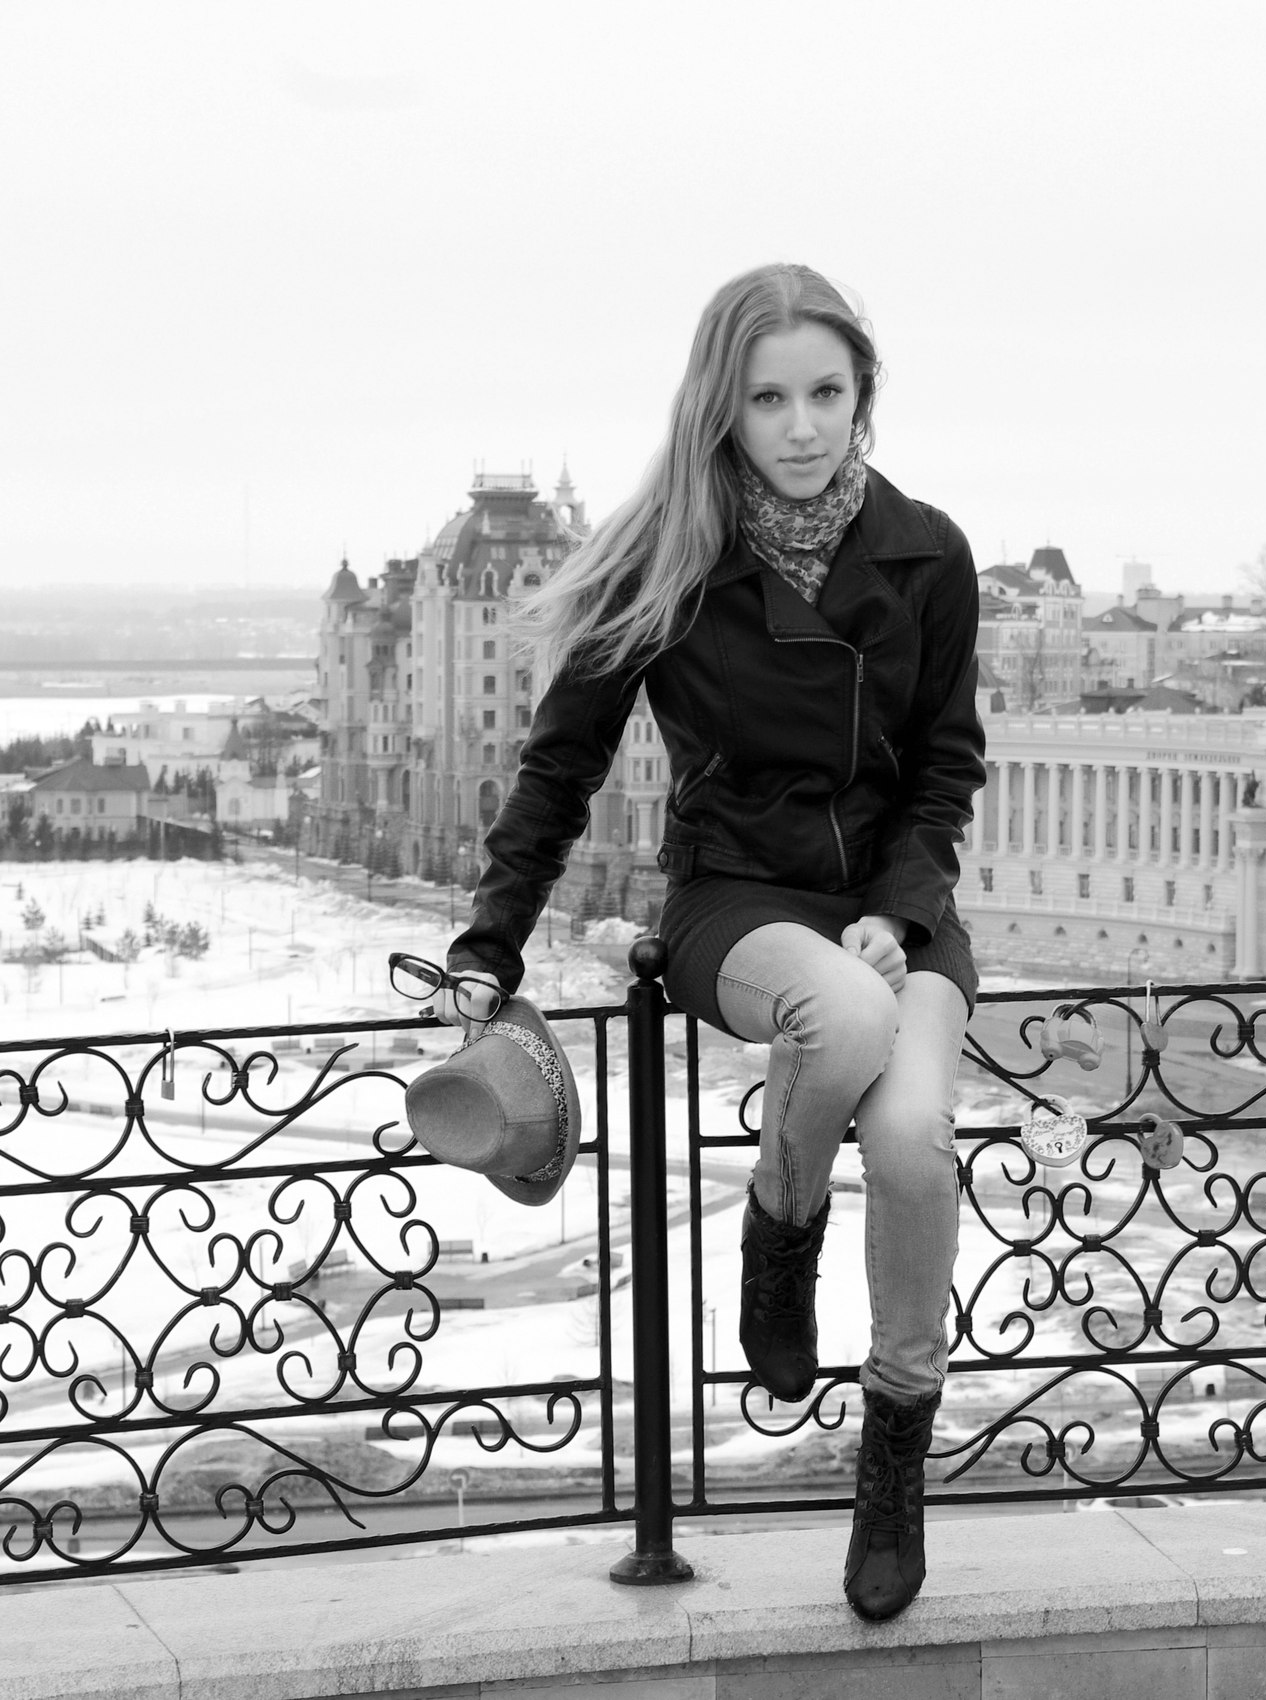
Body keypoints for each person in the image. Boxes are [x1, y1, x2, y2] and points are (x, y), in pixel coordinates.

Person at [441, 264, 984, 1621]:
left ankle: (894, 1461)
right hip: (736, 903)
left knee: (914, 1144)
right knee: (845, 1020)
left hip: (897, 911)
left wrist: (897, 912)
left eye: (826, 393)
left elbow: (944, 768)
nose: (802, 427)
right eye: (769, 399)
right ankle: (781, 1237)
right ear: (720, 409)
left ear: (863, 396)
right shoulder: (667, 560)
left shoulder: (929, 554)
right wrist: (491, 939)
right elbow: (561, 767)